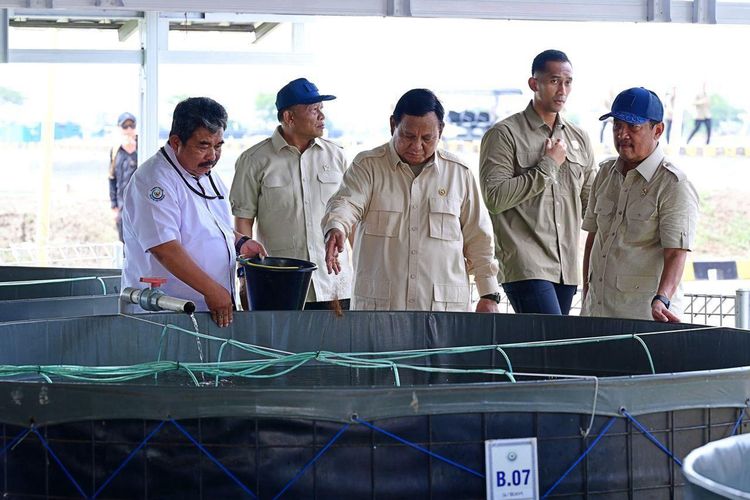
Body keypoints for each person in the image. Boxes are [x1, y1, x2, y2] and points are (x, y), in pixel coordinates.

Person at [322, 88, 500, 312]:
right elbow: (346, 202)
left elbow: (479, 238)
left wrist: (488, 295)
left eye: (427, 138)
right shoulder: (367, 166)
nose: (417, 146)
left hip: (443, 310)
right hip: (380, 309)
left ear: (441, 131)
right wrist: (336, 226)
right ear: (392, 125)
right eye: (408, 136)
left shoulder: (459, 174)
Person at [121, 97, 266, 327]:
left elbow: (206, 225)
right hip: (167, 313)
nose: (212, 156)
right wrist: (212, 290)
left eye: (218, 146)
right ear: (176, 141)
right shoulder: (153, 181)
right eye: (203, 145)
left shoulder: (206, 173)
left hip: (210, 309)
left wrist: (239, 242)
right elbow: (165, 248)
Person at [479, 49, 596, 315]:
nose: (562, 90)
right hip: (525, 263)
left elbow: (591, 205)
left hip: (566, 268)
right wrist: (549, 165)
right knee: (551, 343)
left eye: (567, 82)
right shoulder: (504, 134)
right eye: (554, 81)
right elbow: (494, 198)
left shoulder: (580, 138)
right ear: (534, 83)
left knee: (549, 351)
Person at [230, 77, 352, 310]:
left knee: (338, 346)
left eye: (321, 109)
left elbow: (349, 219)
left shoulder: (337, 156)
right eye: (314, 110)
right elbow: (243, 220)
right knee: (283, 347)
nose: (322, 116)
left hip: (335, 282)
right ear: (289, 117)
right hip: (280, 283)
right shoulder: (254, 160)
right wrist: (245, 278)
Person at [582, 87, 699, 322]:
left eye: (633, 127)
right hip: (598, 312)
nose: (622, 134)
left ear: (657, 130)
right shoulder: (605, 174)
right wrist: (586, 293)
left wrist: (663, 298)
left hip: (646, 318)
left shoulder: (673, 184)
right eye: (617, 125)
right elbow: (593, 239)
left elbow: (676, 252)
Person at [109, 112, 138, 242]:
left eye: (131, 126)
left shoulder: (143, 146)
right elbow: (111, 178)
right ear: (119, 129)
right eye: (125, 126)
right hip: (122, 206)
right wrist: (114, 206)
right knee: (124, 243)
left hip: (140, 206)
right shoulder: (115, 151)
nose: (129, 130)